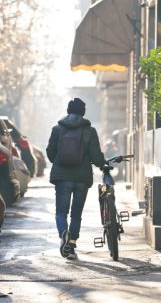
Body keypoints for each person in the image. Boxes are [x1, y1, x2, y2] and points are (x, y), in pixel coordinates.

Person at [46, 98, 105, 260]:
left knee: (61, 212)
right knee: (76, 214)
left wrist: (59, 161)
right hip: (81, 178)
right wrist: (103, 164)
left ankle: (63, 234)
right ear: (83, 112)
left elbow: (50, 152)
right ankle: (71, 246)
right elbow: (96, 156)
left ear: (68, 111)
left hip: (62, 177)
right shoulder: (90, 131)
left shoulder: (57, 129)